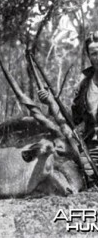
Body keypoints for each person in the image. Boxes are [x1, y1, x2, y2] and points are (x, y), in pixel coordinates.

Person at [38, 31, 98, 178]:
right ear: (89, 57)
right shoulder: (84, 86)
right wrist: (51, 101)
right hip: (90, 152)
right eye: (94, 53)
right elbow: (74, 123)